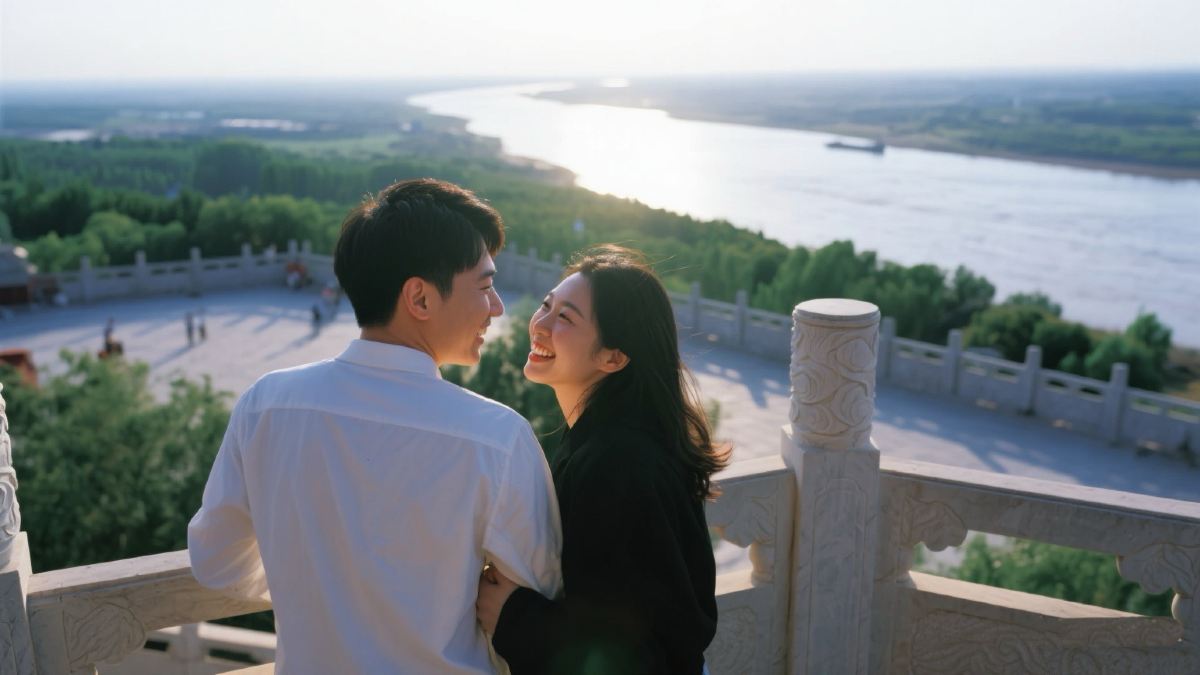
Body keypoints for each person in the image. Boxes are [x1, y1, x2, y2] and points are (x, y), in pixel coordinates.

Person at [189, 178, 562, 674]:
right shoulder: (495, 438)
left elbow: (216, 563)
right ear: (420, 299)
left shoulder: (267, 406)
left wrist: (321, 572)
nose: (496, 308)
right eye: (486, 286)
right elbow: (540, 591)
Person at [476, 245, 728, 675]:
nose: (540, 325)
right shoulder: (621, 439)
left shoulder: (617, 465)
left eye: (566, 318)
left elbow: (637, 652)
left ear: (614, 357)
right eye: (546, 305)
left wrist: (513, 616)